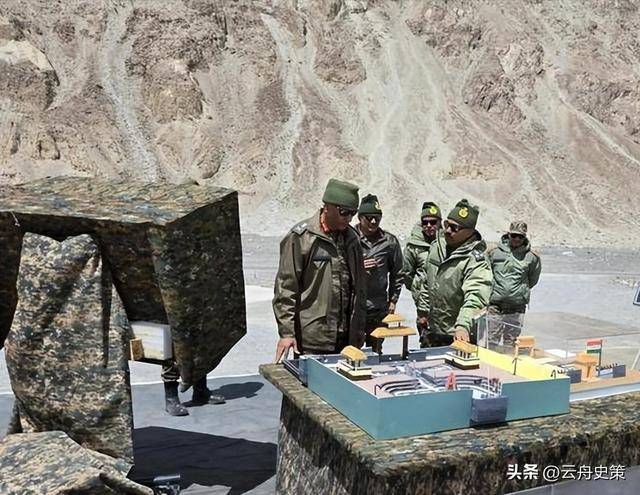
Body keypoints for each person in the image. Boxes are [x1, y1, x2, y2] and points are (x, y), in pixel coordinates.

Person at [273, 178, 366, 361]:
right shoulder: (302, 238)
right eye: (344, 212)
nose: (348, 218)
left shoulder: (352, 239)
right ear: (327, 207)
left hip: (346, 340)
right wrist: (287, 333)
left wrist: (359, 328)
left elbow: (360, 289)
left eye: (352, 214)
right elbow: (286, 287)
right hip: (312, 339)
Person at [416, 199, 492, 346]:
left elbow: (476, 296)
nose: (447, 230)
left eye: (454, 228)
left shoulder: (475, 261)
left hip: (458, 335)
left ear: (469, 232)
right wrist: (423, 310)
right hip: (433, 330)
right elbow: (426, 280)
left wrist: (463, 325)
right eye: (446, 225)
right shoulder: (437, 247)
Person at [355, 194, 403, 346]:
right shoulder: (349, 238)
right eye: (369, 218)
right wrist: (358, 267)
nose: (373, 222)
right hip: (354, 306)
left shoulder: (389, 242)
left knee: (376, 349)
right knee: (351, 350)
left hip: (378, 307)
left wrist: (393, 300)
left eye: (377, 218)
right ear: (360, 217)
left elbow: (398, 273)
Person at [487, 221, 542, 347]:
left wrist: (519, 291)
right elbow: (486, 274)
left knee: (511, 341)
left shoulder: (532, 257)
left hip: (517, 305)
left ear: (525, 237)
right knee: (491, 339)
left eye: (520, 237)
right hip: (496, 304)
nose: (517, 239)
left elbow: (533, 279)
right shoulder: (494, 252)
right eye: (514, 236)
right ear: (509, 235)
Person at [403, 201, 442, 346]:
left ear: (440, 222)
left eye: (433, 222)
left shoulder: (447, 242)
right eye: (425, 222)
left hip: (445, 305)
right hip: (424, 305)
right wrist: (417, 288)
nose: (429, 226)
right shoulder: (413, 246)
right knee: (427, 343)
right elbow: (407, 273)